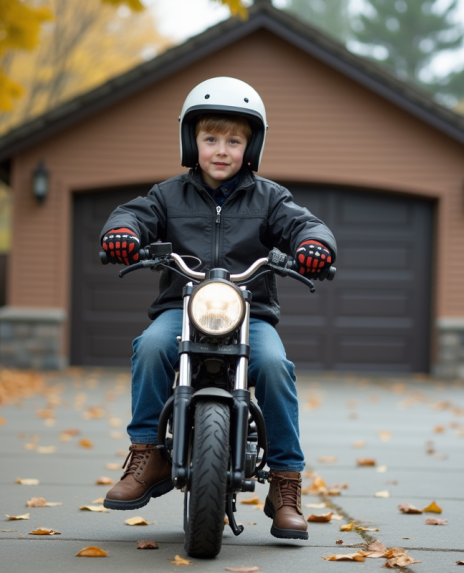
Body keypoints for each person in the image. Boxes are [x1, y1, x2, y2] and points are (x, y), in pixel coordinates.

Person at [98, 77, 337, 540]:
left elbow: (306, 224)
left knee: (273, 364)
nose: (222, 150)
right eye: (211, 139)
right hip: (181, 309)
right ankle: (147, 452)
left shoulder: (270, 198)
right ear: (193, 141)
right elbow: (134, 213)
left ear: (252, 146)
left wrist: (313, 244)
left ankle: (285, 484)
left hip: (252, 315)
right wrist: (123, 233)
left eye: (234, 140)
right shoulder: (168, 195)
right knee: (149, 347)